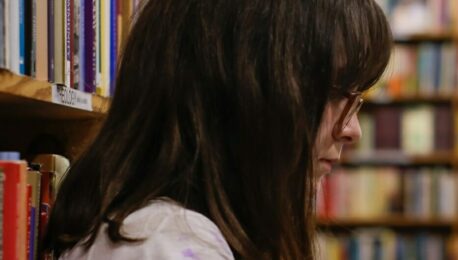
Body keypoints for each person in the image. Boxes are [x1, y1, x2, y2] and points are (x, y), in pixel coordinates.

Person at [44, 0, 393, 259]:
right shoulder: (162, 245)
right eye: (334, 92)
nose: (352, 130)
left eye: (356, 99)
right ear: (242, 87)